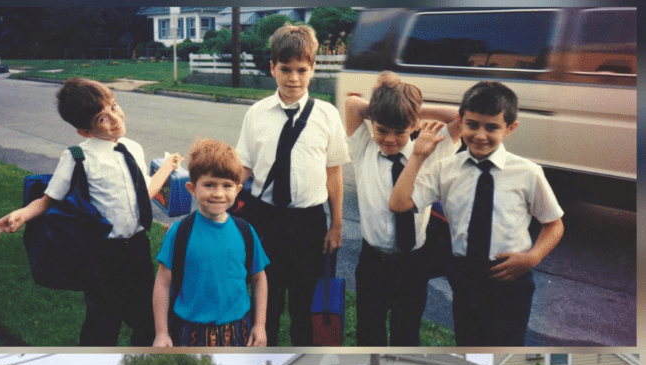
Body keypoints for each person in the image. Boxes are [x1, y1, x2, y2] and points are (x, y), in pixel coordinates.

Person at [0, 77, 182, 347]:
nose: (115, 117)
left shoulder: (133, 148)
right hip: (102, 254)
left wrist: (168, 167)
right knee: (102, 321)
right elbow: (48, 200)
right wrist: (22, 214)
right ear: (85, 132)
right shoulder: (77, 157)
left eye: (113, 106)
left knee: (147, 315)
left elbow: (143, 193)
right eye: (102, 118)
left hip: (137, 247)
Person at [390, 81, 565, 346]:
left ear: (510, 128)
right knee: (469, 342)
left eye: (492, 127)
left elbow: (553, 224)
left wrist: (533, 257)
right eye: (472, 125)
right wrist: (418, 156)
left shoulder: (527, 172)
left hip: (511, 277)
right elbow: (400, 204)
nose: (480, 135)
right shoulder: (445, 169)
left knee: (506, 344)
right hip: (466, 277)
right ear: (461, 122)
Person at [236, 24, 350, 346]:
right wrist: (220, 191)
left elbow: (334, 173)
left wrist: (337, 224)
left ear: (313, 68)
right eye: (285, 69)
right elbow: (244, 165)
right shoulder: (256, 114)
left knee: (304, 305)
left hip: (309, 222)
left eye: (302, 69)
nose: (294, 79)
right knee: (265, 303)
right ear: (272, 68)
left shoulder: (327, 115)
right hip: (264, 220)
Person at [345, 72, 462, 346]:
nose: (389, 139)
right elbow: (351, 105)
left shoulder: (430, 148)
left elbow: (461, 117)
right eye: (382, 129)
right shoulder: (364, 147)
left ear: (414, 125)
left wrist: (412, 110)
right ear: (373, 123)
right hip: (373, 261)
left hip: (412, 263)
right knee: (369, 332)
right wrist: (388, 104)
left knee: (406, 333)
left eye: (400, 131)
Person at [152, 139, 269, 347]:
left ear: (238, 189)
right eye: (209, 185)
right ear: (192, 188)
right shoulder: (179, 233)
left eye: (227, 186)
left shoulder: (245, 232)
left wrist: (259, 325)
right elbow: (162, 283)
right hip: (188, 331)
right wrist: (161, 333)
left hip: (238, 329)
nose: (218, 193)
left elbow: (259, 279)